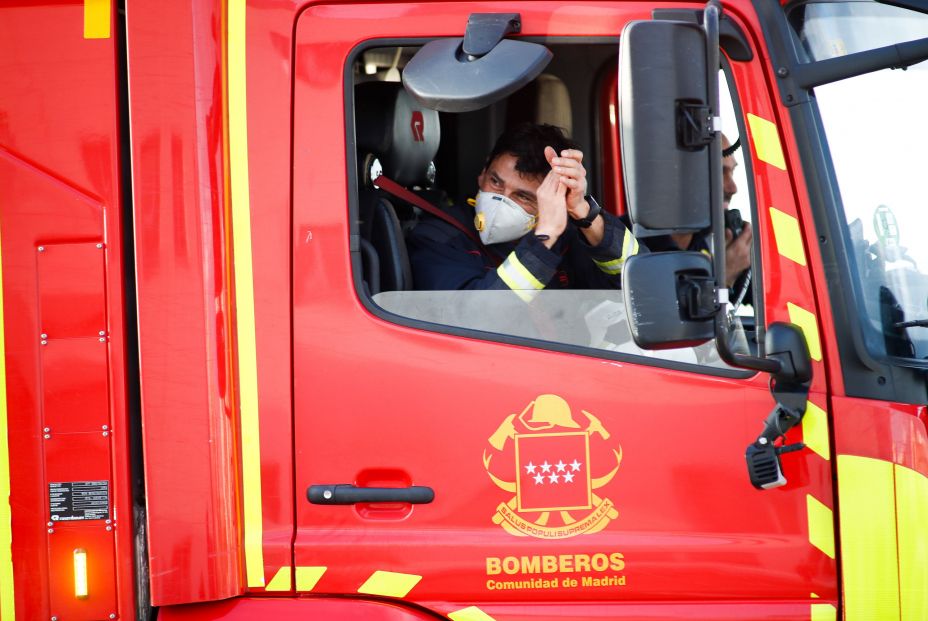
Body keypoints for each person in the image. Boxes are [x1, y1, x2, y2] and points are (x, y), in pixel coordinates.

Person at [407, 123, 642, 300]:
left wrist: (582, 211)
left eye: (523, 196)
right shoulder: (437, 238)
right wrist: (543, 239)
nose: (501, 200)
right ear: (483, 172)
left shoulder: (567, 237)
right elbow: (474, 319)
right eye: (495, 182)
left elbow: (638, 285)